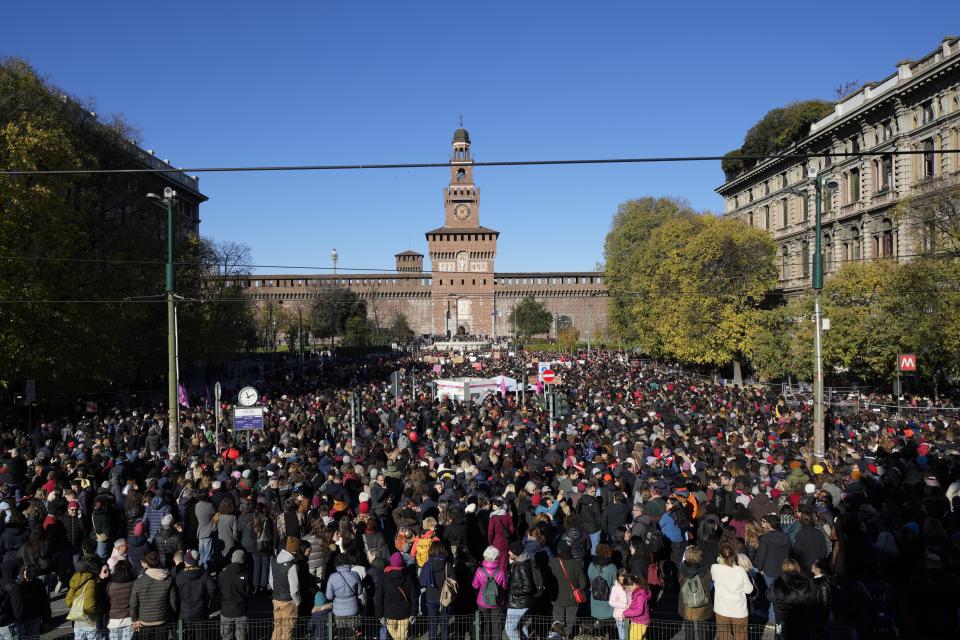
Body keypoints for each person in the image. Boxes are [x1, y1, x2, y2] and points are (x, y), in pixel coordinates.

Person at [130, 549, 178, 640]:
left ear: (146, 564)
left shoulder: (139, 582)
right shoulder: (169, 579)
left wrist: (134, 620)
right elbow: (173, 601)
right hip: (162, 620)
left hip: (144, 623)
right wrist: (172, 616)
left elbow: (133, 604)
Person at [711, 544, 753, 640]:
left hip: (721, 609)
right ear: (733, 556)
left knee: (723, 636)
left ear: (720, 557)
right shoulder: (741, 571)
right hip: (739, 610)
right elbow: (749, 590)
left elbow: (714, 578)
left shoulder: (715, 568)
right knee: (740, 636)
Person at [175, 550, 218, 640]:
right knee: (201, 637)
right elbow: (212, 590)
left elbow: (174, 594)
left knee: (185, 637)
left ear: (187, 561)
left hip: (184, 614)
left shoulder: (179, 576)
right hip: (201, 613)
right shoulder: (204, 574)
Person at [767, 559, 814, 640]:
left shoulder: (778, 581)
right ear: (797, 566)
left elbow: (769, 596)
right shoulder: (807, 580)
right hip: (801, 617)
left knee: (780, 636)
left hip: (781, 618)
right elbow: (812, 598)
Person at [755, 514, 790, 624]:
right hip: (783, 570)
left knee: (771, 596)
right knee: (781, 597)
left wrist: (760, 568)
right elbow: (789, 553)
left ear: (769, 525)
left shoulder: (765, 538)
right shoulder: (786, 537)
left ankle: (773, 620)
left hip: (769, 571)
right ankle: (780, 620)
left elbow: (761, 555)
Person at [548, 541, 587, 637]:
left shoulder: (552, 562)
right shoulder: (576, 563)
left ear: (558, 550)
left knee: (557, 623)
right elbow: (583, 583)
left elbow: (548, 581)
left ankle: (557, 637)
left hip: (556, 598)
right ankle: (567, 636)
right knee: (570, 623)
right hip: (572, 599)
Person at [375, 552, 416, 640]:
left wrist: (379, 615)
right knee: (402, 638)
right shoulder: (408, 577)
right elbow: (414, 597)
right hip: (404, 613)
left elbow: (378, 598)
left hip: (389, 614)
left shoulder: (384, 578)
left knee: (395, 637)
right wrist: (413, 613)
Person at [504, 540, 540, 640]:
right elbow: (516, 578)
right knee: (520, 626)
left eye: (510, 551)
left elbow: (528, 587)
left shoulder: (522, 566)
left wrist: (515, 593)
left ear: (515, 552)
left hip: (518, 602)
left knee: (509, 628)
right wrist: (511, 565)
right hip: (521, 602)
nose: (508, 553)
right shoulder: (520, 563)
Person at [472, 546, 507, 640]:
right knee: (497, 627)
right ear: (496, 558)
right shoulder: (501, 572)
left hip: (482, 602)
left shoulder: (479, 571)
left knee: (485, 627)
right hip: (497, 602)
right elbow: (504, 587)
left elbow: (475, 585)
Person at [677, 546, 712, 640]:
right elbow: (710, 581)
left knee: (688, 630)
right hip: (702, 604)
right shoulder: (706, 571)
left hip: (686, 605)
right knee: (703, 630)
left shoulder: (682, 570)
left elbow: (679, 580)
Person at [270, 537, 302, 640]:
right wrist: (297, 602)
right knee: (287, 631)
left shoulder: (274, 561)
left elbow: (271, 581)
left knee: (277, 628)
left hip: (276, 599)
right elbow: (294, 589)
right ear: (295, 550)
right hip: (288, 602)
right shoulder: (292, 566)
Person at [325, 551, 362, 640]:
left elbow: (329, 596)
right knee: (353, 635)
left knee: (340, 635)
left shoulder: (332, 577)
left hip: (338, 612)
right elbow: (360, 591)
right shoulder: (355, 575)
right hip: (353, 609)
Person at [421, 542, 453, 640]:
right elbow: (453, 581)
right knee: (444, 623)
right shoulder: (447, 565)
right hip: (445, 598)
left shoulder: (427, 565)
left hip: (431, 597)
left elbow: (421, 580)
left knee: (432, 623)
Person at [66, 555, 102, 640]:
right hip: (89, 621)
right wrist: (98, 609)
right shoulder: (91, 582)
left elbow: (68, 602)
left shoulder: (74, 581)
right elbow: (89, 606)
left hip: (77, 621)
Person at [219, 550, 251, 640]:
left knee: (226, 636)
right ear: (243, 560)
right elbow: (248, 593)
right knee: (241, 636)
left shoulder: (222, 574)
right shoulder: (245, 574)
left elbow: (220, 589)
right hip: (241, 610)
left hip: (226, 610)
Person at [587, 543, 616, 633]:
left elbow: (590, 579)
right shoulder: (612, 567)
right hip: (608, 601)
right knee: (610, 628)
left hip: (595, 600)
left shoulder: (591, 565)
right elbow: (615, 584)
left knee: (598, 630)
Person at [106, 559, 136, 640]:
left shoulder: (110, 585)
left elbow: (108, 600)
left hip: (113, 620)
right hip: (129, 618)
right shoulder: (133, 583)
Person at [622, 574, 651, 640]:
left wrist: (626, 613)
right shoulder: (638, 593)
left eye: (628, 588)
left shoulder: (640, 596)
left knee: (634, 638)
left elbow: (639, 610)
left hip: (639, 622)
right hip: (638, 621)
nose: (628, 590)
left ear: (634, 584)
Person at [608, 570, 633, 640]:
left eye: (624, 576)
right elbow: (611, 602)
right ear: (618, 577)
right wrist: (624, 605)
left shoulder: (629, 585)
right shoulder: (615, 588)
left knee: (629, 635)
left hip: (630, 614)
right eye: (620, 576)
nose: (622, 578)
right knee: (622, 636)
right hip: (620, 616)